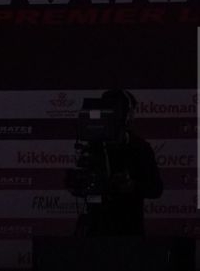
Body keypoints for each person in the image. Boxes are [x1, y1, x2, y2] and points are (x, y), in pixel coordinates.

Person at [70, 88, 163, 237]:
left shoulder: (140, 148)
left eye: (118, 111)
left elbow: (156, 188)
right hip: (96, 229)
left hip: (128, 229)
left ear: (128, 115)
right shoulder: (95, 146)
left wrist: (132, 186)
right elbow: (84, 187)